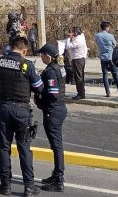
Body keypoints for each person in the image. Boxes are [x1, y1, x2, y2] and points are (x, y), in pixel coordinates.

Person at [0, 36, 44, 196]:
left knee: (4, 148)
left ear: (11, 47)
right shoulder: (26, 64)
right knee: (24, 148)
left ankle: (5, 186)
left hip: (3, 108)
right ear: (25, 50)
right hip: (21, 111)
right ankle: (29, 187)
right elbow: (39, 87)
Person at [36, 43, 67, 192]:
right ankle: (56, 174)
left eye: (41, 54)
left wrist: (40, 96)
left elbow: (53, 93)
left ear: (47, 55)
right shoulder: (58, 67)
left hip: (53, 110)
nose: (40, 57)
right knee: (56, 145)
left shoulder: (51, 71)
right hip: (59, 109)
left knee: (56, 146)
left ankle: (58, 180)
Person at [95, 21, 118, 99]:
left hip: (103, 57)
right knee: (115, 74)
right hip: (111, 57)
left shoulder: (97, 35)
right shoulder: (110, 36)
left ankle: (108, 92)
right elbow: (114, 44)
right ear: (107, 27)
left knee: (105, 75)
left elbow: (97, 43)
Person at [65, 26, 88, 100]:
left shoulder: (78, 40)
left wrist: (69, 38)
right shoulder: (81, 37)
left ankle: (80, 94)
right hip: (81, 58)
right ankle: (82, 92)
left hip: (77, 59)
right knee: (81, 76)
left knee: (78, 77)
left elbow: (68, 46)